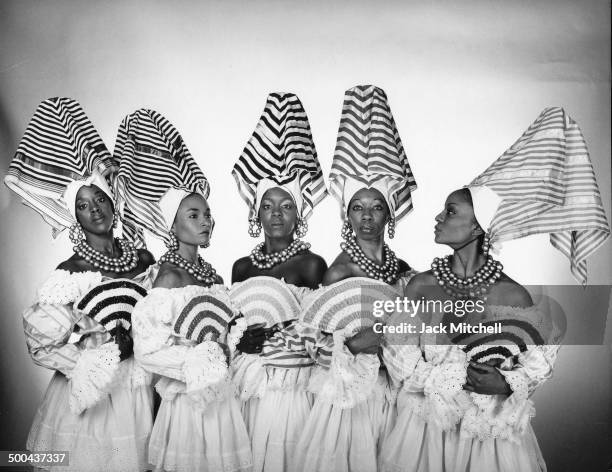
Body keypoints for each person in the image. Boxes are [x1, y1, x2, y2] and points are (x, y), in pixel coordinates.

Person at [380, 107, 610, 472]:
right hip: (426, 434)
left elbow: (535, 367)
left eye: (451, 212)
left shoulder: (512, 295)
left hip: (487, 440)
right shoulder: (420, 285)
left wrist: (506, 383)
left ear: (478, 228)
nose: (439, 218)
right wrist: (450, 379)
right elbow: (398, 361)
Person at [5, 98, 156, 472]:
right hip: (99, 395)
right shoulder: (71, 271)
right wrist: (96, 350)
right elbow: (42, 342)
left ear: (112, 201)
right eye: (85, 205)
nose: (96, 209)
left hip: (146, 385)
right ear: (74, 217)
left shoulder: (145, 260)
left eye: (100, 199)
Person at [116, 109, 252, 472]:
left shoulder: (211, 273)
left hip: (222, 398)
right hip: (189, 402)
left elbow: (225, 331)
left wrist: (230, 344)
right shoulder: (169, 277)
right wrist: (201, 361)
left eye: (207, 214)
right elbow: (148, 351)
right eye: (194, 215)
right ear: (172, 226)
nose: (205, 221)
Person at [293, 85, 417, 472]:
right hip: (350, 397)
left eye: (377, 207)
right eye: (358, 208)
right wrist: (356, 345)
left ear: (389, 215)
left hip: (394, 391)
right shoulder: (339, 271)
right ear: (347, 215)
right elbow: (316, 345)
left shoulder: (405, 271)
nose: (367, 216)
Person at [229, 92, 327, 472]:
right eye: (268, 206)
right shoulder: (240, 268)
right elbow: (231, 325)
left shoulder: (312, 265)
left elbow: (320, 330)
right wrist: (240, 337)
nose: (276, 214)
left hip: (293, 385)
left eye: (286, 206)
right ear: (256, 211)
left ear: (298, 213)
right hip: (250, 381)